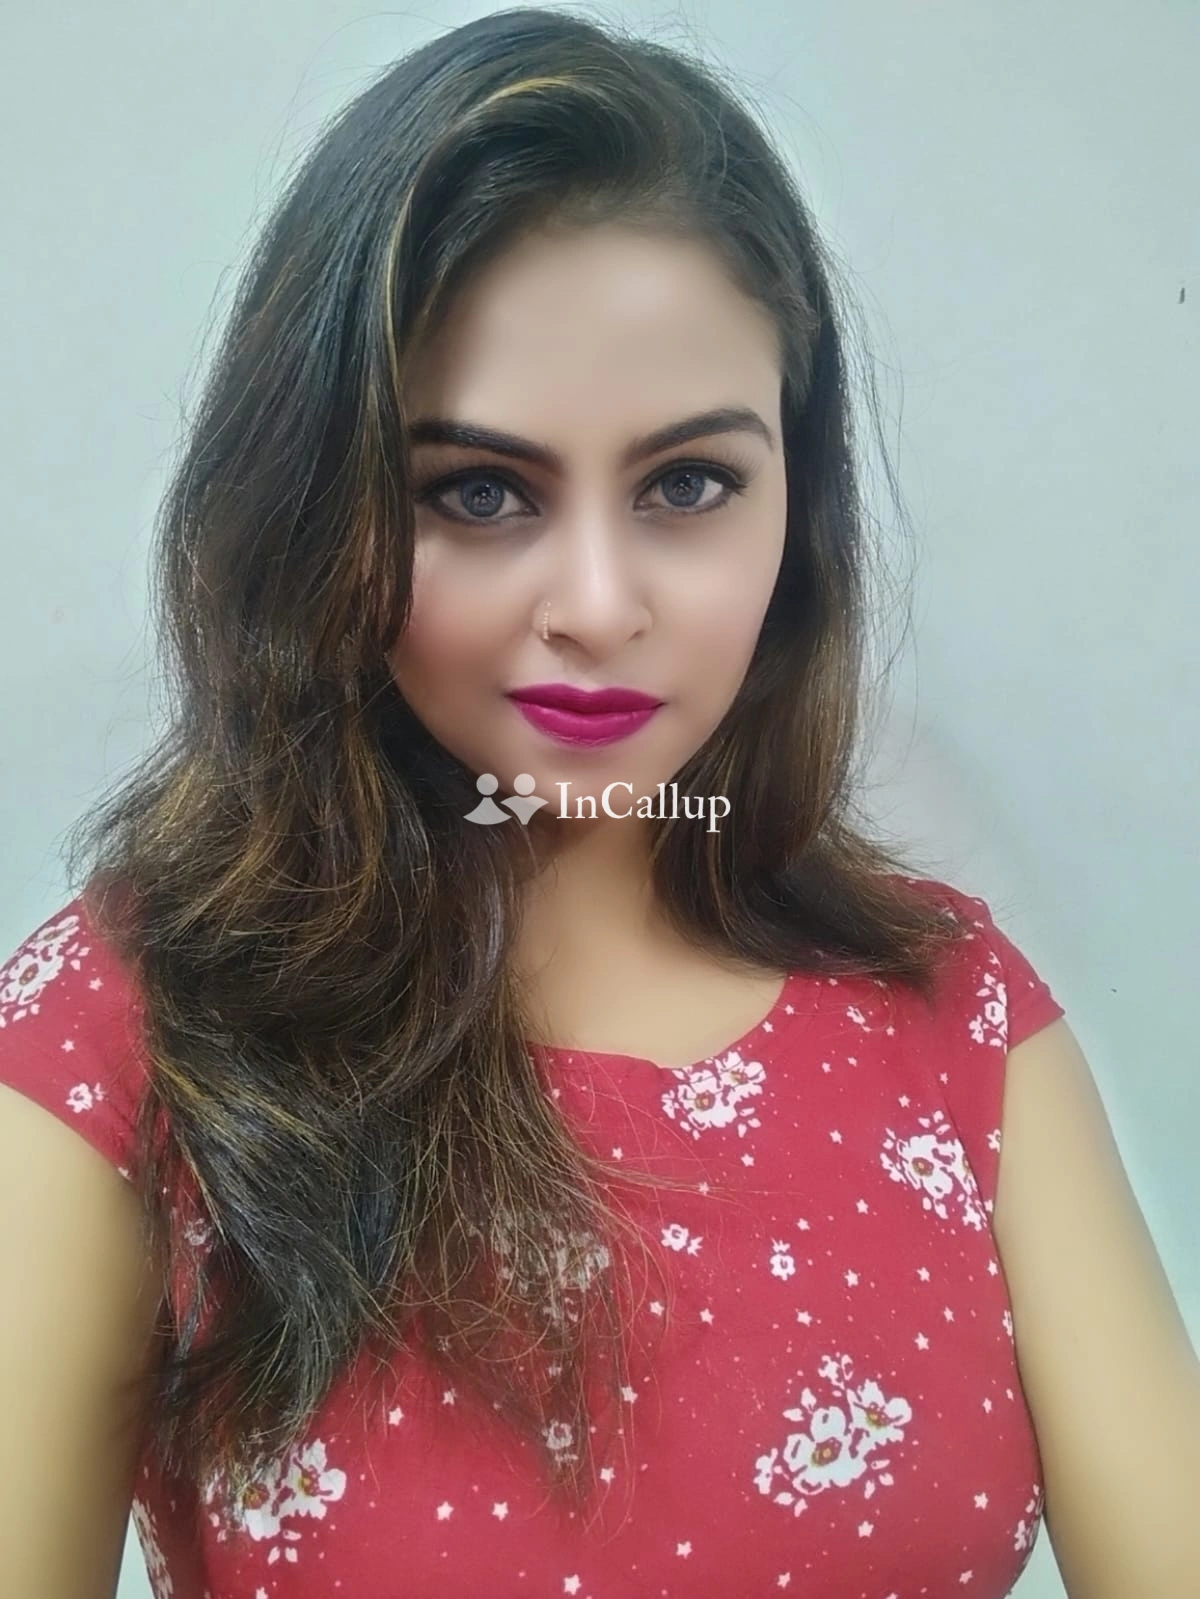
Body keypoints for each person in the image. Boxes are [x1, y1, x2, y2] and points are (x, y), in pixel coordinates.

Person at [2, 9, 1197, 1598]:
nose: (597, 604)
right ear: (321, 509)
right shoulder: (133, 1039)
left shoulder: (960, 1026)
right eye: (478, 491)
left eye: (688, 484)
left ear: (796, 505)